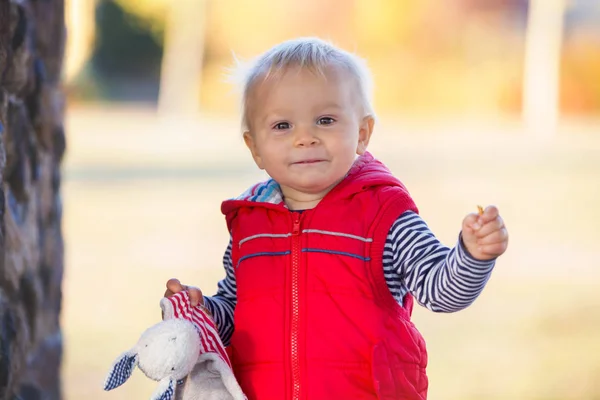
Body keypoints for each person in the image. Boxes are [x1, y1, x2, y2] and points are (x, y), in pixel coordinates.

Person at [164, 37, 509, 400]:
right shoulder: (250, 227)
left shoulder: (384, 215)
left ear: (362, 134)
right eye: (282, 126)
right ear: (255, 148)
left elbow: (442, 292)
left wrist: (473, 255)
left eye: (325, 120)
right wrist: (203, 311)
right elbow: (237, 315)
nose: (305, 138)